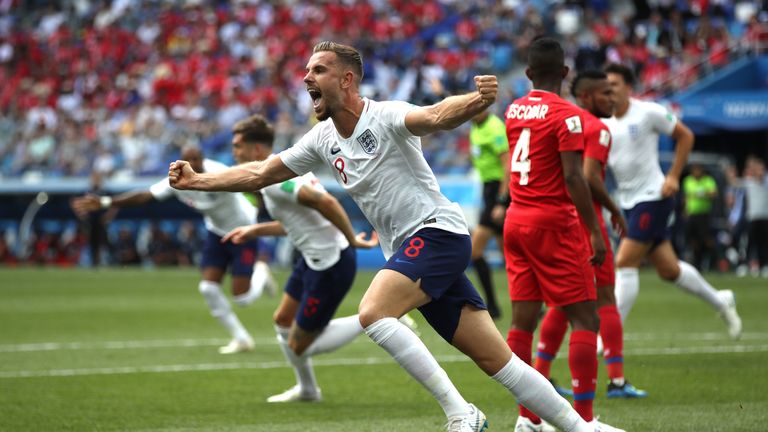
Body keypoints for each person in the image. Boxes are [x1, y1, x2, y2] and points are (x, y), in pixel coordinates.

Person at [168, 41, 597, 432]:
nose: (306, 78)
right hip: (411, 250)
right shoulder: (320, 139)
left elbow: (434, 115)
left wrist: (479, 99)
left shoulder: (386, 115)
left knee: (374, 312)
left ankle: (461, 414)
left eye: (318, 70)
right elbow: (261, 172)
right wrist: (198, 182)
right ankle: (583, 429)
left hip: (437, 233)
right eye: (307, 71)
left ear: (347, 79)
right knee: (497, 360)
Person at [502, 40, 623, 432]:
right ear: (566, 74)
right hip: (553, 222)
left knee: (522, 324)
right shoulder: (568, 116)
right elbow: (573, 176)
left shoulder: (513, 109)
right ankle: (584, 422)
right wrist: (595, 231)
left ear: (528, 74)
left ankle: (527, 419)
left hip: (516, 220)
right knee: (586, 319)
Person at [221, 114, 382, 402]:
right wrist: (254, 230)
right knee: (283, 320)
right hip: (311, 259)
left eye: (238, 147)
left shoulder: (275, 180)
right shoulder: (278, 171)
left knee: (298, 345)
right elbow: (296, 222)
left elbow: (325, 201)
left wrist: (351, 239)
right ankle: (308, 389)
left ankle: (376, 317)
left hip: (331, 263)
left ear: (257, 150)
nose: (234, 153)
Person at [71, 144, 276, 354]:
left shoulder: (218, 172)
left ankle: (261, 272)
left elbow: (251, 183)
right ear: (183, 160)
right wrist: (106, 202)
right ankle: (241, 339)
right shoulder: (178, 178)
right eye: (189, 160)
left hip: (244, 229)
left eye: (197, 159)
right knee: (208, 288)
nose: (194, 164)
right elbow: (145, 195)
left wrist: (266, 203)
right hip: (216, 232)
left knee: (241, 299)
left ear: (203, 159)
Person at [602, 63, 741, 339]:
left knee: (625, 261)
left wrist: (674, 176)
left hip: (655, 196)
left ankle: (606, 338)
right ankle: (720, 300)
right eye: (606, 86)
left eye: (615, 85)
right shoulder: (605, 122)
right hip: (628, 203)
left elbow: (685, 135)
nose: (610, 91)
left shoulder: (648, 112)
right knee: (668, 269)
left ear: (629, 87)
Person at [533, 70, 645, 403]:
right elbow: (589, 178)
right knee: (605, 298)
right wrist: (613, 209)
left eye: (614, 93)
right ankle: (616, 378)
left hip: (559, 221)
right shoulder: (596, 128)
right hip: (586, 222)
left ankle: (540, 376)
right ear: (586, 96)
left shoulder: (563, 120)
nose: (612, 100)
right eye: (606, 94)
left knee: (564, 301)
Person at [468, 108, 509, 319]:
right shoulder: (475, 126)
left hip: (498, 192)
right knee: (509, 257)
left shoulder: (495, 127)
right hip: (488, 190)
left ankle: (492, 306)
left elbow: (507, 163)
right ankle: (534, 305)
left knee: (475, 251)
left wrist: (502, 201)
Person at [682, 163, 718, 271]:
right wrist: (685, 210)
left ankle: (714, 261)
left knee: (706, 239)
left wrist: (702, 194)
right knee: (693, 240)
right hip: (692, 214)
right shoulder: (688, 181)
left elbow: (714, 194)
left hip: (704, 214)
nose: (696, 172)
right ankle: (697, 263)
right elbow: (686, 197)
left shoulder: (708, 180)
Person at [742, 155, 768, 277]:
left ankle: (764, 266)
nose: (760, 172)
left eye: (761, 169)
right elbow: (733, 182)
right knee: (750, 243)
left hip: (765, 217)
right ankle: (745, 265)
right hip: (752, 217)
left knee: (764, 243)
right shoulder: (749, 182)